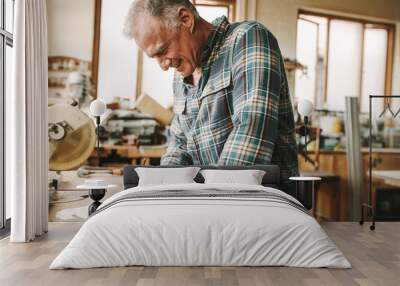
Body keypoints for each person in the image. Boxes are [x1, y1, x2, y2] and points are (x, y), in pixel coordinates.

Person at [123, 0, 299, 194]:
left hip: (266, 204)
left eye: (163, 50)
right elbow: (179, 145)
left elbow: (251, 130)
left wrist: (211, 199)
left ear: (185, 19)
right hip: (212, 201)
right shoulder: (181, 77)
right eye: (154, 57)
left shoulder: (247, 39)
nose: (163, 66)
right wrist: (163, 189)